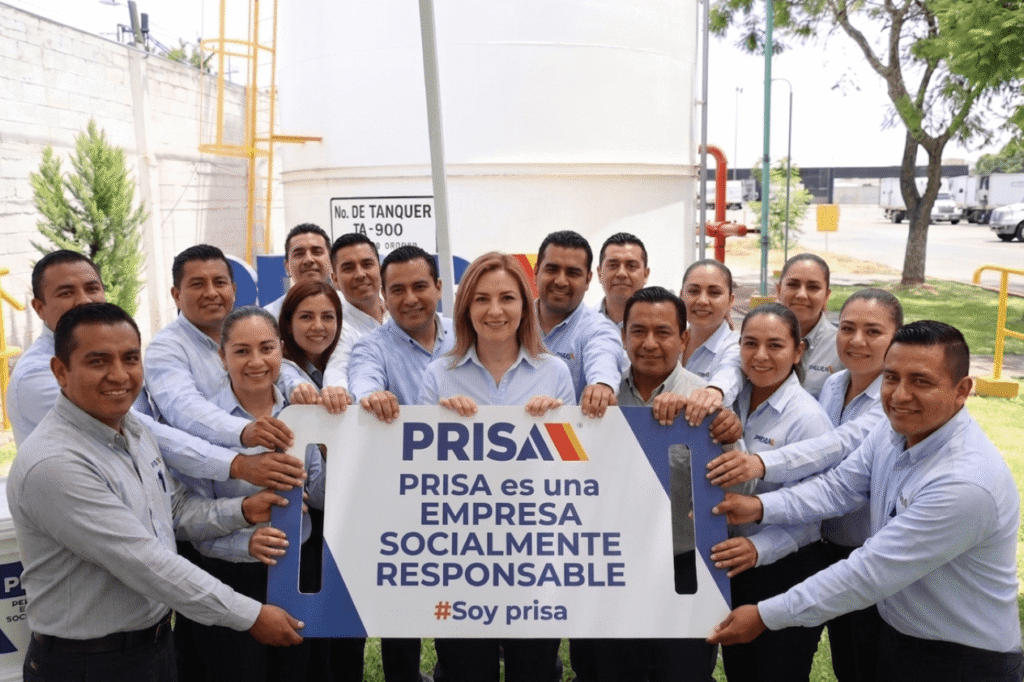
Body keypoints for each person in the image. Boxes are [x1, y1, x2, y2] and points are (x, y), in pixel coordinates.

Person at [709, 321, 1024, 682]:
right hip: (899, 636)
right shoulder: (892, 432)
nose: (900, 395)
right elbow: (838, 488)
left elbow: (868, 573)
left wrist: (766, 616)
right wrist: (760, 508)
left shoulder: (964, 483)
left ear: (962, 390)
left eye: (921, 381)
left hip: (963, 660)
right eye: (891, 378)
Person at [8, 302, 305, 682]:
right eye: (98, 361)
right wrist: (251, 615)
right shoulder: (55, 464)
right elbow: (147, 565)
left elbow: (174, 511)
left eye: (130, 358)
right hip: (88, 665)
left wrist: (245, 509)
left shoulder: (132, 429)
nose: (119, 374)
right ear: (60, 371)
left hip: (153, 647)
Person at [706, 289, 903, 681]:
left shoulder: (874, 406)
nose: (857, 340)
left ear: (799, 351)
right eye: (847, 328)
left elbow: (832, 451)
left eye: (873, 331)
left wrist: (759, 465)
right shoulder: (833, 384)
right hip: (772, 554)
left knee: (858, 663)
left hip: (848, 553)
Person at [570, 286, 745, 682]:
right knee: (614, 671)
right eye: (638, 331)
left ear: (684, 338)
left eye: (663, 332)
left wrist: (728, 436)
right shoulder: (598, 399)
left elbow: (742, 492)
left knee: (682, 672)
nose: (649, 343)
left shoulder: (705, 400)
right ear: (623, 336)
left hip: (685, 569)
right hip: (613, 569)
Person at [420, 252, 574, 682]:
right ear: (465, 307)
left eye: (507, 297)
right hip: (460, 551)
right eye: (482, 299)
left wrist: (559, 425)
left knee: (535, 667)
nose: (495, 310)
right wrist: (438, 425)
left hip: (534, 550)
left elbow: (574, 472)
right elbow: (421, 475)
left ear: (525, 305)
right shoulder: (439, 375)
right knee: (465, 669)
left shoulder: (555, 372)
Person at [333, 244, 454, 682]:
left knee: (462, 604)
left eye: (420, 286)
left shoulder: (467, 335)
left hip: (466, 497)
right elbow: (363, 381)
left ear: (438, 287)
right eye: (397, 290)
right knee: (401, 609)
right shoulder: (371, 347)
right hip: (402, 500)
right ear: (384, 295)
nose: (410, 298)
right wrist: (371, 396)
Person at [187, 306, 328, 682]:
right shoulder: (201, 421)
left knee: (293, 673)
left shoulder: (301, 412)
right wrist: (244, 541)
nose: (256, 362)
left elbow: (319, 497)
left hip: (295, 570)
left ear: (281, 349)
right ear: (222, 357)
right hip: (228, 577)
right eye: (241, 351)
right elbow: (188, 517)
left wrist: (328, 445)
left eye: (266, 348)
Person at [714, 303, 833, 682]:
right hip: (732, 565)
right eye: (750, 343)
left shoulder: (808, 419)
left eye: (775, 345)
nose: (760, 355)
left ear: (798, 351)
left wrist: (757, 549)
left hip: (784, 569)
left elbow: (814, 516)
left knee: (777, 671)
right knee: (740, 669)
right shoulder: (732, 399)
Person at [145, 244, 295, 454]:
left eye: (220, 282)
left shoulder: (249, 327)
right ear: (176, 295)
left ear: (233, 289)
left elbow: (278, 366)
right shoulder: (164, 349)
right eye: (197, 284)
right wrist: (243, 432)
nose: (211, 293)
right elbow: (183, 406)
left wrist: (298, 387)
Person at [533, 230, 628, 416]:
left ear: (588, 280)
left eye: (573, 273)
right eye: (552, 269)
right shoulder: (512, 322)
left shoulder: (598, 329)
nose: (561, 281)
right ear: (536, 272)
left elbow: (604, 354)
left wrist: (602, 385)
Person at [323, 233, 388, 391]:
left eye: (367, 264)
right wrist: (337, 392)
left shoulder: (400, 313)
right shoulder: (338, 329)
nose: (360, 274)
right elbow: (337, 370)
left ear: (380, 270)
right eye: (348, 268)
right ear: (335, 279)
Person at [776, 252, 845, 398]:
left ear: (827, 295)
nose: (801, 294)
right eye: (793, 285)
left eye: (813, 287)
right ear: (778, 290)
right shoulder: (757, 339)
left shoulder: (842, 347)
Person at [679, 258, 743, 406]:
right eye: (693, 291)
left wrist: (714, 392)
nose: (702, 301)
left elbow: (731, 371)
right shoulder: (672, 342)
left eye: (714, 293)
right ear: (681, 296)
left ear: (730, 300)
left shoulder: (738, 346)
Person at [263, 223, 334, 318]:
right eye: (299, 254)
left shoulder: (349, 309)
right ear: (287, 267)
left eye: (317, 252)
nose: (308, 259)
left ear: (331, 262)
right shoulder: (269, 317)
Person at [595, 232, 650, 328]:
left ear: (645, 275)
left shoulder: (666, 324)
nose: (621, 273)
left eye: (631, 266)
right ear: (599, 274)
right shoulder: (580, 324)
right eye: (613, 265)